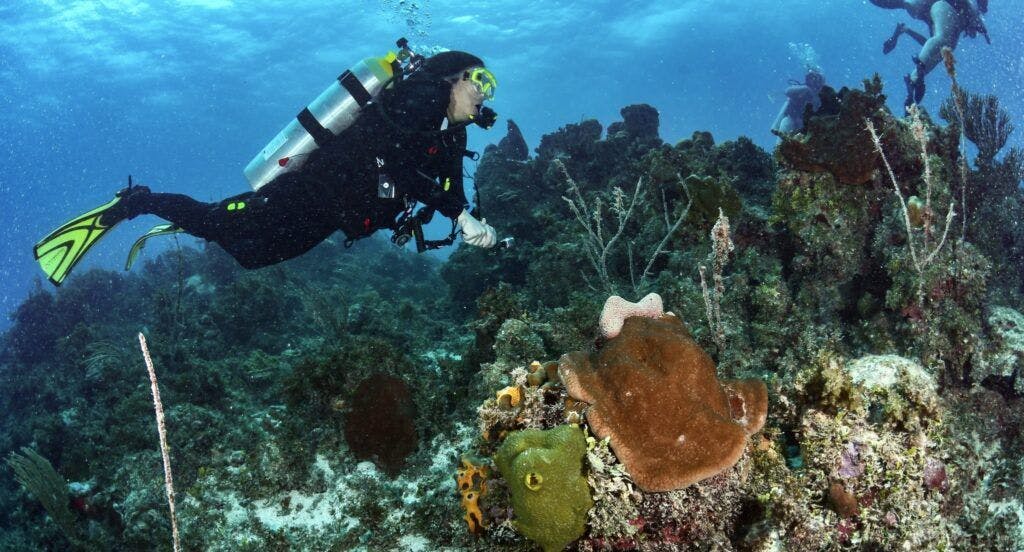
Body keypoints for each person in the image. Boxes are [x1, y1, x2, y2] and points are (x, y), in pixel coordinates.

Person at [34, 50, 501, 286]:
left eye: (491, 87)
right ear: (451, 77)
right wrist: (458, 214)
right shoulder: (420, 99)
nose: (485, 94)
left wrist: (468, 217)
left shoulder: (449, 132)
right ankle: (138, 203)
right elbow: (397, 162)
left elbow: (446, 186)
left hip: (336, 213)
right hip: (313, 191)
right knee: (222, 222)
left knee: (251, 255)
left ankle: (185, 218)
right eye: (480, 81)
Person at [869, 0, 990, 108]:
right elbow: (939, 40)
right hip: (942, 5)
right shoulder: (966, 12)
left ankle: (914, 77)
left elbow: (929, 45)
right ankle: (916, 74)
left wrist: (907, 31)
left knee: (941, 48)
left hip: (926, 8)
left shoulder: (955, 22)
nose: (973, 34)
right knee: (944, 41)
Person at [771, 69, 826, 135]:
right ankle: (777, 128)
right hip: (792, 119)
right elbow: (788, 91)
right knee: (785, 123)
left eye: (815, 78)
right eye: (810, 78)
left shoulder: (821, 95)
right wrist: (806, 89)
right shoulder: (803, 89)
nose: (812, 81)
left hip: (806, 125)